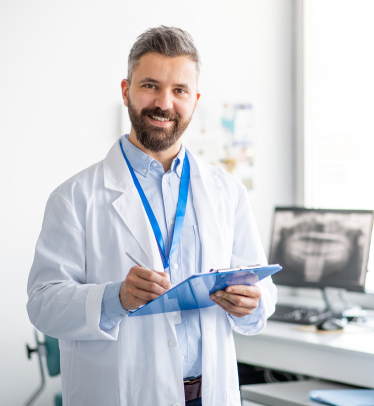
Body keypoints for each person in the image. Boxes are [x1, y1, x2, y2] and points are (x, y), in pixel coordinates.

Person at [26, 26, 277, 406]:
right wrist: (116, 298)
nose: (164, 103)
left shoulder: (227, 191)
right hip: (125, 394)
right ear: (126, 91)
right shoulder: (75, 197)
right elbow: (43, 304)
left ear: (194, 100)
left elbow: (261, 288)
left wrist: (252, 303)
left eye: (179, 91)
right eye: (150, 86)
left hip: (209, 393)